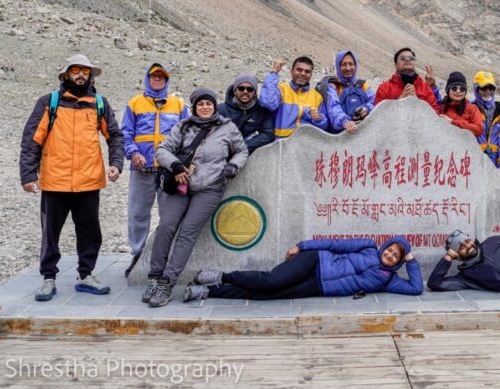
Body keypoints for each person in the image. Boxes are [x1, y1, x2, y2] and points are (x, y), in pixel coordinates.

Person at [19, 54, 124, 301]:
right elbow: (31, 140)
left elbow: (115, 137)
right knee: (50, 233)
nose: (80, 75)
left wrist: (116, 163)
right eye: (75, 70)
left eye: (85, 71)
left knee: (90, 232)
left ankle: (85, 275)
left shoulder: (99, 104)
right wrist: (27, 174)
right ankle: (48, 278)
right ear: (66, 74)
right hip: (55, 181)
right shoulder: (49, 103)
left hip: (89, 182)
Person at [145, 88, 249, 306]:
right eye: (200, 104)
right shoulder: (183, 126)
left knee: (187, 233)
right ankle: (154, 276)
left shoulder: (227, 127)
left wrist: (232, 166)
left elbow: (242, 150)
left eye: (208, 104)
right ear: (194, 107)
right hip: (181, 185)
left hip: (210, 187)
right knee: (166, 226)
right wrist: (175, 166)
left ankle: (167, 282)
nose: (205, 107)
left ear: (214, 106)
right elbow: (162, 150)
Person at [184, 237, 422, 301]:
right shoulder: (369, 247)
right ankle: (220, 275)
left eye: (396, 256)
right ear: (385, 246)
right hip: (315, 261)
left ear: (398, 261)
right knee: (271, 282)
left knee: (267, 295)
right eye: (390, 249)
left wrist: (411, 259)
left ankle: (210, 291)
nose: (390, 255)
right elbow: (334, 245)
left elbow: (416, 288)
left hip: (319, 287)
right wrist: (301, 246)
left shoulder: (388, 280)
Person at [121, 63, 189, 277]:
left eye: (162, 76)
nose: (157, 79)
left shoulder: (178, 104)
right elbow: (126, 133)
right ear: (147, 78)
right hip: (142, 169)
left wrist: (178, 163)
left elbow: (187, 136)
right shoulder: (135, 103)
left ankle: (165, 256)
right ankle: (138, 253)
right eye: (154, 76)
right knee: (138, 213)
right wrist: (134, 153)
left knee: (169, 216)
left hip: (168, 172)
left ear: (167, 79)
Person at [259, 57, 329, 138]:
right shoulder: (281, 89)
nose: (303, 73)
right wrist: (274, 72)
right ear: (292, 72)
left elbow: (325, 126)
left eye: (307, 71)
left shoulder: (317, 96)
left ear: (311, 75)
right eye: (299, 70)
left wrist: (319, 119)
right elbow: (267, 102)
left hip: (305, 145)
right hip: (281, 144)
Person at [218, 74, 275, 153]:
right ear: (234, 91)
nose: (245, 92)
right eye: (241, 88)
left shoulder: (263, 111)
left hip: (251, 153)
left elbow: (268, 134)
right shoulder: (220, 110)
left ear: (255, 93)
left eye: (250, 89)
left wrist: (243, 147)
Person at [323, 50, 375, 134]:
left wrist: (366, 108)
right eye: (344, 64)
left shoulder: (363, 85)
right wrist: (345, 121)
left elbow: (374, 101)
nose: (348, 68)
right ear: (338, 66)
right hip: (341, 135)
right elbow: (333, 107)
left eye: (351, 64)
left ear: (355, 65)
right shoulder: (333, 86)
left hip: (365, 132)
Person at [373, 47, 440, 111]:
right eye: (402, 58)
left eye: (411, 58)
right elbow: (377, 115)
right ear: (396, 65)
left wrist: (417, 102)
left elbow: (434, 115)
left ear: (414, 63)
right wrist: (400, 100)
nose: (407, 60)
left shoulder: (426, 89)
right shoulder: (384, 88)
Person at [437, 71, 485, 137]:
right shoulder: (442, 108)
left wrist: (452, 122)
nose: (458, 91)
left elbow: (479, 129)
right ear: (448, 90)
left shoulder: (472, 108)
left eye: (462, 89)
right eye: (454, 88)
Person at [472, 71, 500, 163]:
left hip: (495, 161)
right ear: (476, 89)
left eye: (491, 88)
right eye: (484, 88)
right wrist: (433, 89)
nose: (488, 91)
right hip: (474, 158)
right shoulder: (469, 108)